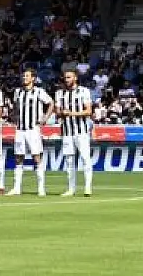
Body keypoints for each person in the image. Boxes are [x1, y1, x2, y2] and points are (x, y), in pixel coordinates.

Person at [8, 68, 53, 196]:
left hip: (33, 129)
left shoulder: (39, 91)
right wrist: (14, 117)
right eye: (23, 76)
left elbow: (51, 103)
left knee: (36, 157)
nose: (24, 78)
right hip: (20, 129)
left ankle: (41, 188)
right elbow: (16, 108)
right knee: (18, 158)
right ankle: (17, 188)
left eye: (27, 76)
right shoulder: (18, 92)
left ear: (33, 78)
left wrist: (45, 118)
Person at [55, 67, 94, 197]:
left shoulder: (84, 91)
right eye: (65, 77)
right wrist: (61, 113)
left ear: (75, 78)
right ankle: (71, 189)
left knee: (85, 158)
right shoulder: (60, 93)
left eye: (69, 77)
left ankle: (87, 187)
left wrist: (71, 113)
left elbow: (88, 111)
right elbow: (58, 112)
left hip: (81, 131)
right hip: (67, 131)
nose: (67, 80)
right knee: (69, 161)